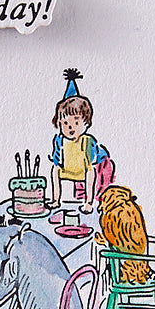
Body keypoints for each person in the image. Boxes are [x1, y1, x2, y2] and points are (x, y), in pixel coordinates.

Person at [47, 68, 109, 213]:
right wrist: (57, 162)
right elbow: (57, 159)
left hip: (84, 170)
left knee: (91, 171)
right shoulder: (59, 140)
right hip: (67, 169)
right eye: (65, 123)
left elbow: (93, 162)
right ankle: (55, 200)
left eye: (76, 122)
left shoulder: (88, 141)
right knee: (54, 170)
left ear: (85, 122)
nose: (71, 127)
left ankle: (88, 202)